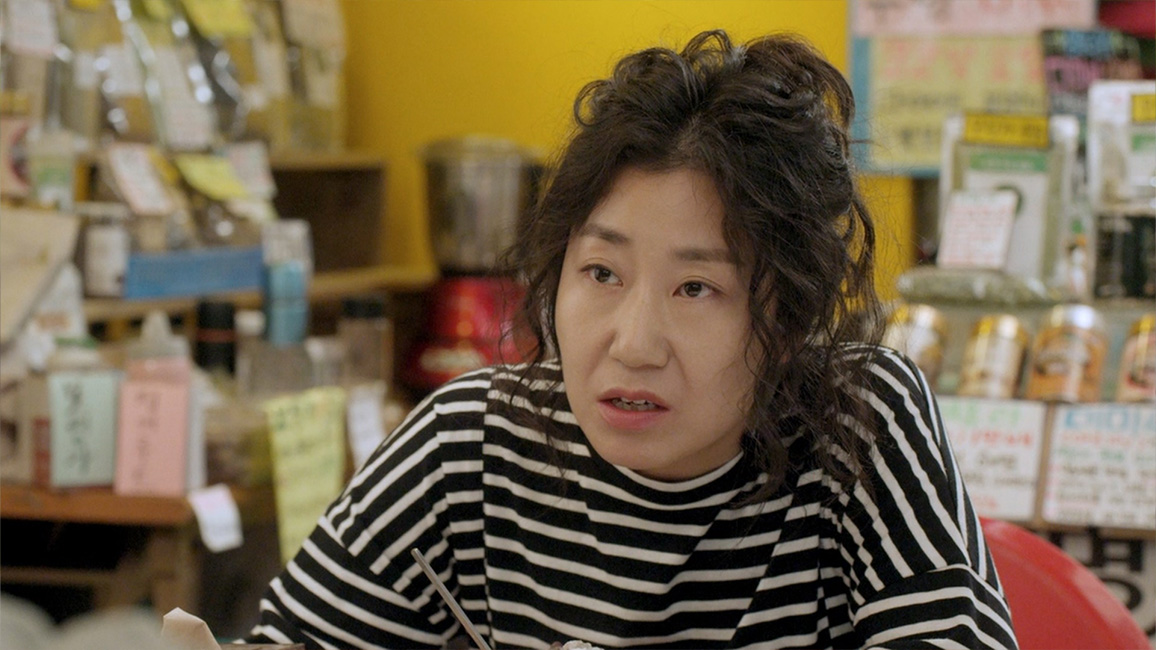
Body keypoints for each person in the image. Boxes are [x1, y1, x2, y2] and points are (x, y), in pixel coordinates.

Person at [247, 30, 1018, 649]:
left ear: (787, 318)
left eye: (696, 288)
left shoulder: (858, 423)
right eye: (602, 273)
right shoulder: (472, 444)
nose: (635, 343)